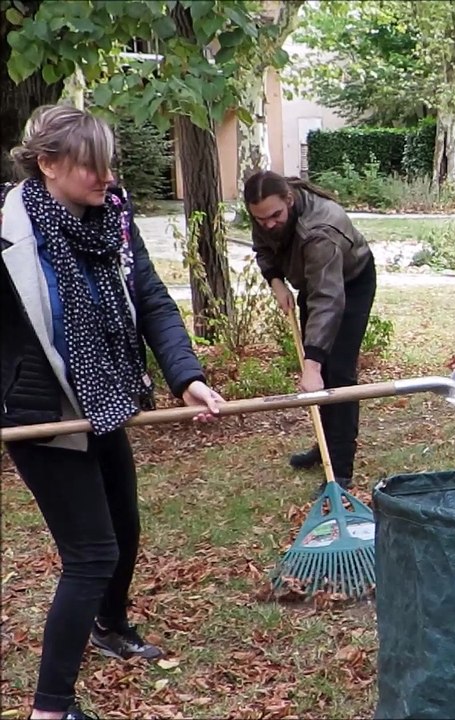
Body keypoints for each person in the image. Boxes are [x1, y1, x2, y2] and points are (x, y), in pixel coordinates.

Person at [1, 105, 224, 720]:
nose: (106, 178)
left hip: (105, 400)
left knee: (124, 532)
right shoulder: (6, 230)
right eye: (91, 166)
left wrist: (188, 378)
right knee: (92, 553)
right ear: (47, 164)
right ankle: (51, 707)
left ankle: (109, 624)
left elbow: (151, 301)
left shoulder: (115, 222)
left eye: (109, 165)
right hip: (41, 415)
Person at [243, 170, 376, 495]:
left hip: (350, 283)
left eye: (275, 216)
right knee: (322, 372)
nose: (269, 223)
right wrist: (276, 281)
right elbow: (263, 246)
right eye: (261, 218)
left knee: (338, 375)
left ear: (289, 200)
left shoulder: (320, 230)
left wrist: (311, 365)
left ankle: (340, 470)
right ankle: (325, 448)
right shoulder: (264, 212)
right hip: (314, 282)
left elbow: (328, 299)